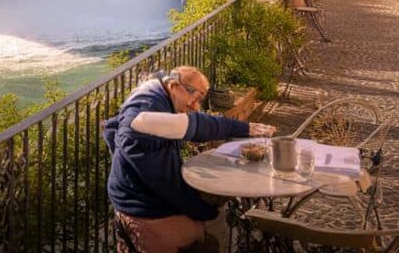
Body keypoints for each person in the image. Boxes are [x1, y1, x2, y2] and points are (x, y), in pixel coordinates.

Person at [103, 66, 276, 253]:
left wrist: (243, 128)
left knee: (217, 208)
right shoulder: (145, 113)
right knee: (215, 222)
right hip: (144, 208)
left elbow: (199, 124)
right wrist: (203, 211)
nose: (195, 106)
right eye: (196, 98)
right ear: (175, 85)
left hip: (136, 195)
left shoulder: (160, 98)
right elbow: (167, 183)